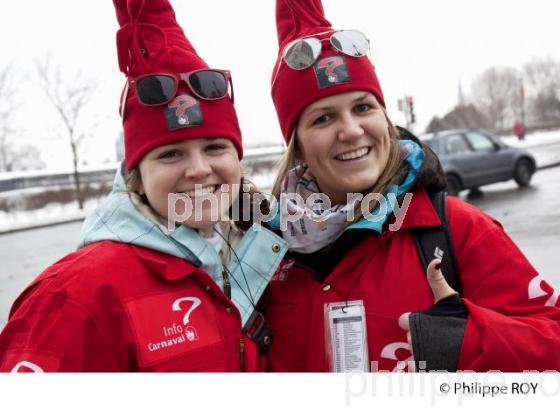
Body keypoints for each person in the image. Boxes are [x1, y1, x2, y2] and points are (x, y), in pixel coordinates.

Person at [264, 0, 560, 372]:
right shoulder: (270, 256)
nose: (352, 131)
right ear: (298, 144)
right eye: (323, 118)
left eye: (363, 108)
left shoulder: (457, 228)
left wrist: (471, 342)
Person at [0, 0, 286, 372]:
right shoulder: (74, 297)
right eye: (170, 155)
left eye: (215, 147)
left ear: (238, 159)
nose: (199, 170)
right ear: (137, 173)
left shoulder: (264, 254)